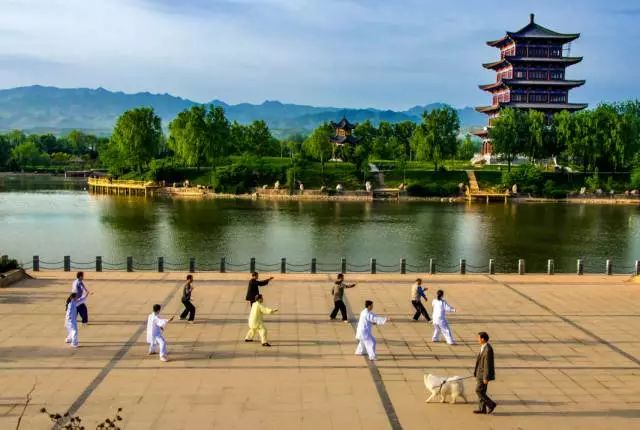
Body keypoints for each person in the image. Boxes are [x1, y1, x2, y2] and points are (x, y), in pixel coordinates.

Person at [473, 332, 496, 414]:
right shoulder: (483, 347)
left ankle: (491, 404)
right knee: (482, 391)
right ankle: (482, 409)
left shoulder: (488, 350)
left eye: (478, 338)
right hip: (480, 373)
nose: (477, 340)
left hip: (483, 374)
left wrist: (485, 377)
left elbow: (487, 365)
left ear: (482, 339)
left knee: (478, 391)